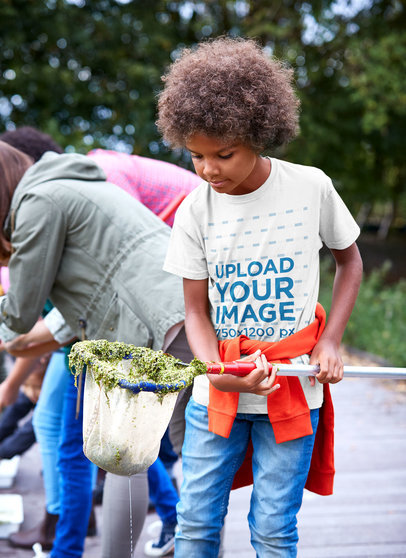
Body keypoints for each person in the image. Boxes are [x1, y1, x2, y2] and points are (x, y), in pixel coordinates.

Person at [158, 37, 363, 557]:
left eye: (223, 154)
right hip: (217, 393)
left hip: (293, 389)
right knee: (196, 526)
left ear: (258, 132)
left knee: (273, 531)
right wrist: (216, 371)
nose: (208, 169)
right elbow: (195, 312)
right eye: (197, 155)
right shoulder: (193, 210)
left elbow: (349, 262)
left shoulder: (311, 187)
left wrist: (331, 341)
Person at [0, 126, 200, 556]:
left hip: (160, 321)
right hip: (168, 312)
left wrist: (11, 340)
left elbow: (18, 313)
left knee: (153, 458)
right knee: (150, 456)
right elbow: (89, 293)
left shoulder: (38, 202)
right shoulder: (69, 184)